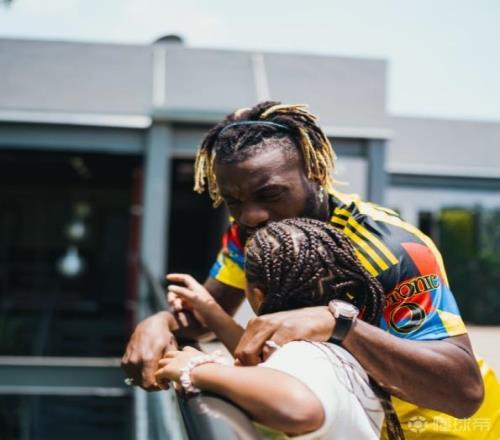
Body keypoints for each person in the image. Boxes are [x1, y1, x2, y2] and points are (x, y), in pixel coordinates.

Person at [122, 101, 500, 438]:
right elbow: (208, 312)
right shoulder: (248, 233)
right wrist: (160, 322)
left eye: (270, 193)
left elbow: (463, 393)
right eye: (233, 200)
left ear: (316, 173)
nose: (250, 215)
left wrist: (340, 324)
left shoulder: (392, 249)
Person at [156, 218, 397, 439]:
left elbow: (300, 408)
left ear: (257, 294)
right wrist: (210, 311)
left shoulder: (306, 355)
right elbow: (264, 362)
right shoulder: (341, 350)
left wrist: (197, 369)